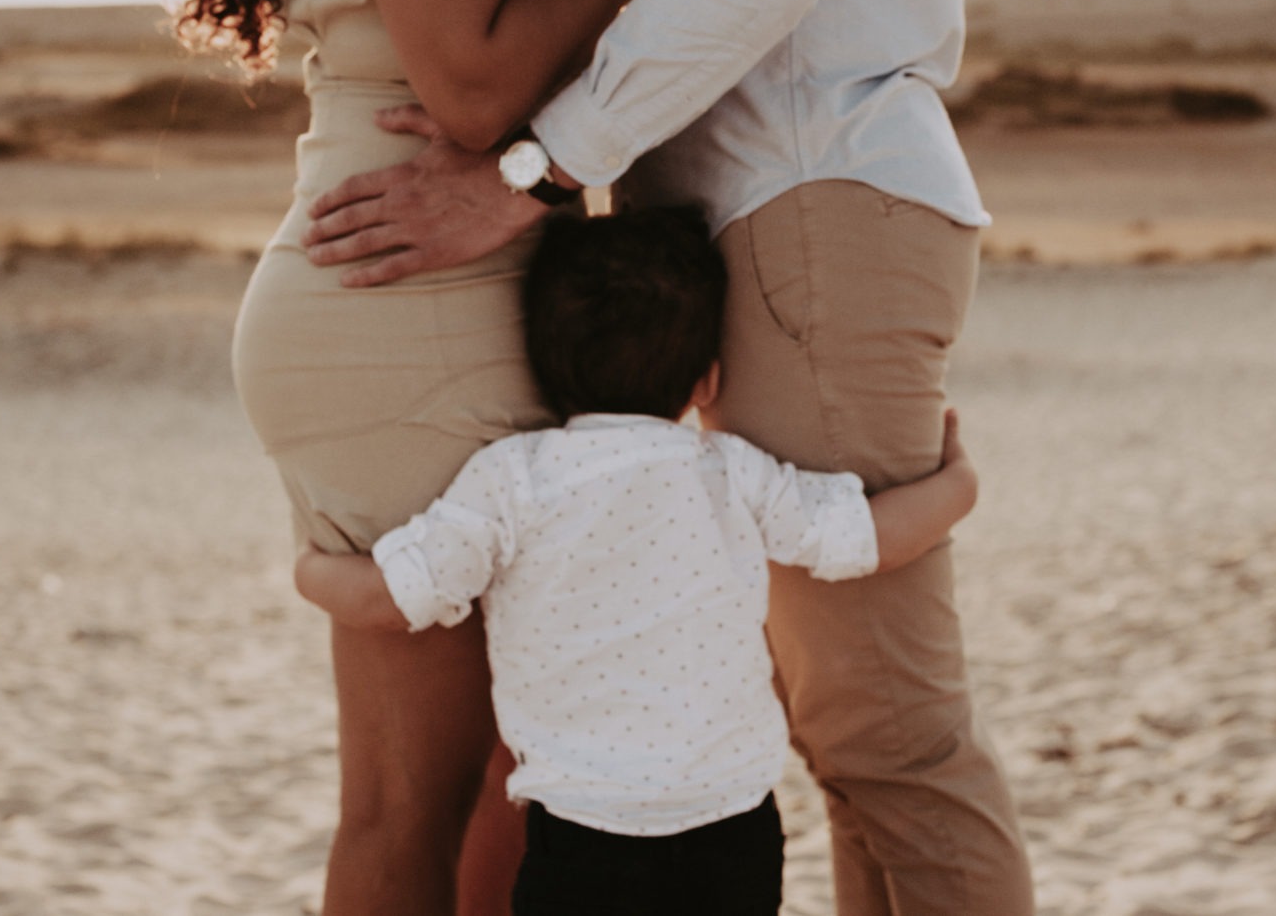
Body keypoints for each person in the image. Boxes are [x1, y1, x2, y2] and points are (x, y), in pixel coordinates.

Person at [299, 0, 1039, 911]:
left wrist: (525, 174)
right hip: (767, 205)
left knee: (890, 741)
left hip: (813, 189)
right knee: (852, 742)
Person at [160, 0, 712, 911]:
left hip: (418, 289)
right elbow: (467, 78)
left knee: (469, 789)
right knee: (434, 797)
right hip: (409, 303)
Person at [289, 208, 980, 916]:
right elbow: (857, 538)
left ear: (541, 370)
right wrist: (957, 488)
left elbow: (399, 595)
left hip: (584, 836)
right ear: (707, 380)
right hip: (730, 826)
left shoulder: (514, 478)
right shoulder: (729, 472)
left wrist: (311, 570)